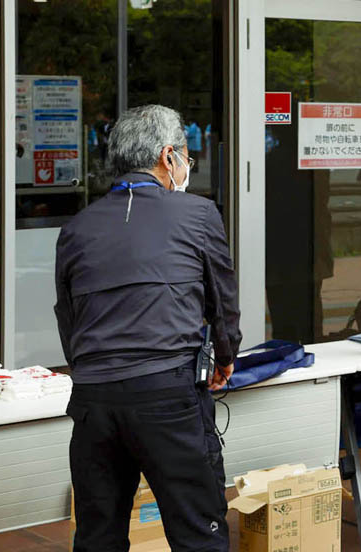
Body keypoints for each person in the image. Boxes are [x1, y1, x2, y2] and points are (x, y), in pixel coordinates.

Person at [54, 104, 241, 552]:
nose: (186, 166)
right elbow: (223, 302)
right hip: (168, 396)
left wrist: (93, 368)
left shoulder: (76, 228)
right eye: (185, 156)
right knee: (199, 533)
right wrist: (226, 356)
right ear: (167, 156)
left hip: (94, 402)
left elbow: (68, 318)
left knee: (98, 536)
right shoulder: (196, 215)